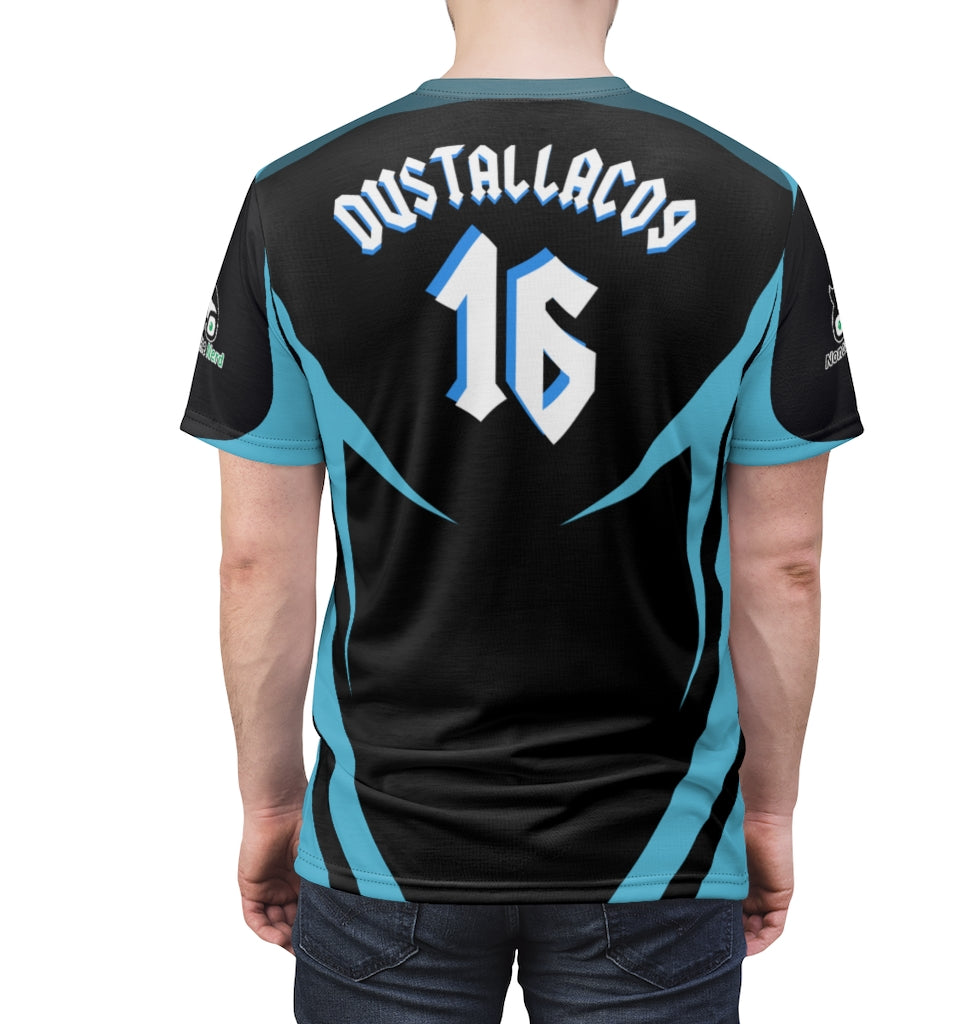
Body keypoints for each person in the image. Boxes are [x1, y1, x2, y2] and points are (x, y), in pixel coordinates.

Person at [180, 1, 863, 1020]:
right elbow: (784, 565)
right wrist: (764, 813)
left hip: (382, 839)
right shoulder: (756, 203)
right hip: (659, 845)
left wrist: (272, 802)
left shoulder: (294, 201)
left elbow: (257, 562)